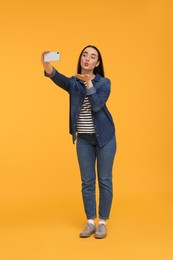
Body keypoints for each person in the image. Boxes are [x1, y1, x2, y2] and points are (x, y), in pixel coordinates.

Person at [41, 45, 116, 239]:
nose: (87, 59)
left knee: (105, 180)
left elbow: (98, 105)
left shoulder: (104, 83)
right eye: (85, 55)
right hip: (83, 139)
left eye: (92, 57)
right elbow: (58, 78)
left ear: (97, 63)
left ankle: (102, 223)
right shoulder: (73, 83)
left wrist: (89, 84)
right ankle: (90, 222)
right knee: (87, 181)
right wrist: (46, 65)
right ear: (81, 59)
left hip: (105, 138)